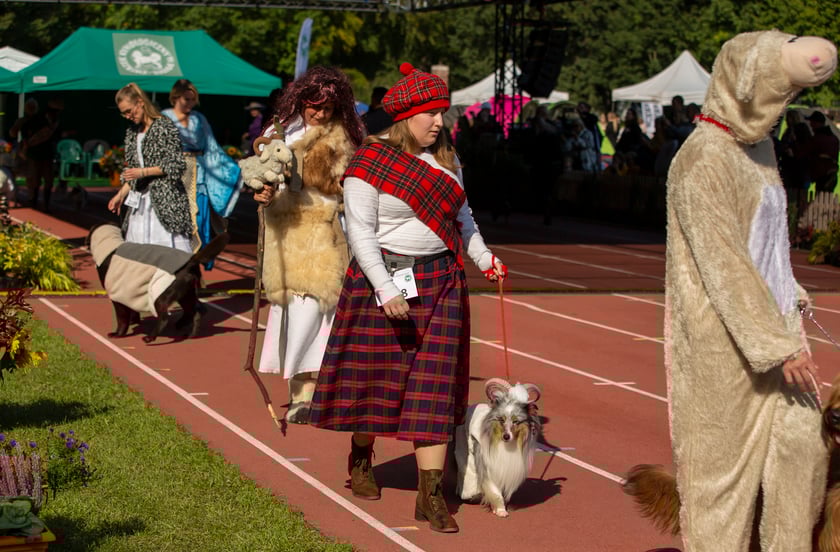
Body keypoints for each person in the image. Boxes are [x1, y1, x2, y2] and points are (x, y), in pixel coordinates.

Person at [307, 62, 508, 534]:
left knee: (434, 391)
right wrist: (383, 286)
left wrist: (485, 259)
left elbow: (465, 221)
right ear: (406, 115)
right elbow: (358, 231)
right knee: (376, 382)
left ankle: (431, 494)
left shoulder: (448, 160)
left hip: (442, 282)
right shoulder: (368, 161)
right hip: (385, 279)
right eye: (430, 114)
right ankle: (361, 454)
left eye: (443, 113)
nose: (439, 122)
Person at [664, 31, 834, 550]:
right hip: (724, 350)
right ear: (743, 87)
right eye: (775, 93)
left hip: (775, 330)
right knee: (721, 485)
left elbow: (763, 239)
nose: (780, 107)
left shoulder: (758, 149)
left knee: (804, 446)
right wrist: (774, 343)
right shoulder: (701, 160)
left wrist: (789, 286)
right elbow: (724, 264)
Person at [252, 66, 364, 424]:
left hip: (327, 232)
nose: (320, 113)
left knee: (322, 312)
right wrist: (264, 190)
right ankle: (300, 391)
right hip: (287, 233)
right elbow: (260, 177)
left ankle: (312, 392)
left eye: (327, 108)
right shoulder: (277, 132)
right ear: (301, 101)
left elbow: (351, 187)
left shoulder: (345, 136)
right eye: (314, 105)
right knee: (297, 311)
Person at [162, 79, 242, 264]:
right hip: (176, 175)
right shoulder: (164, 117)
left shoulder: (199, 118)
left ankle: (196, 269)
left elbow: (212, 147)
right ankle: (176, 266)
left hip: (200, 175)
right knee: (178, 222)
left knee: (199, 220)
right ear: (175, 97)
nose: (190, 104)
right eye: (186, 99)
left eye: (192, 100)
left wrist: (235, 168)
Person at [108, 83, 191, 253]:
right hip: (139, 201)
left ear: (140, 102)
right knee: (139, 253)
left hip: (165, 201)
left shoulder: (163, 126)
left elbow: (176, 164)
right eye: (123, 113)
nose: (127, 116)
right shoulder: (132, 132)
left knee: (167, 253)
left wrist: (143, 172)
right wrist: (119, 195)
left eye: (129, 111)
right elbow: (132, 172)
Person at [19, 98, 63, 211]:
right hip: (35, 155)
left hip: (47, 155)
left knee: (48, 180)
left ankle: (46, 204)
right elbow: (25, 134)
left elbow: (56, 135)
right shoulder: (36, 120)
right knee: (35, 180)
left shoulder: (55, 122)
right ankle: (34, 203)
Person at [800, 110, 839, 192]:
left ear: (817, 123)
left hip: (821, 174)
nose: (810, 124)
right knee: (827, 199)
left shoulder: (817, 139)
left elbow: (802, 152)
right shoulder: (833, 138)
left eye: (812, 122)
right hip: (832, 173)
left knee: (821, 197)